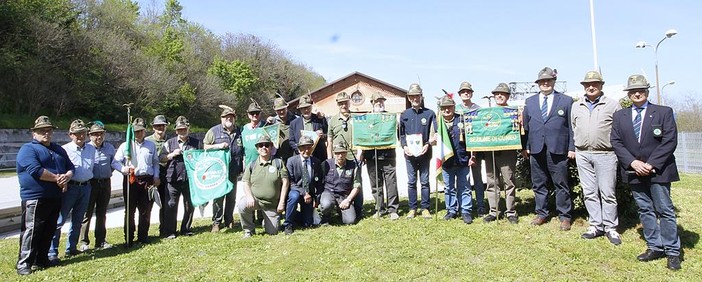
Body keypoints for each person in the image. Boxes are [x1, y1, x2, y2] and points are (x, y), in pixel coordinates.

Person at [610, 74, 682, 270]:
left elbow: (670, 141)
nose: (637, 93)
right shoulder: (620, 116)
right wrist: (633, 163)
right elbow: (616, 142)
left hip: (658, 171)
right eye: (633, 90)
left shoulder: (663, 112)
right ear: (628, 93)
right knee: (645, 209)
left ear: (647, 91)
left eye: (640, 90)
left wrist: (650, 164)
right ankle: (654, 246)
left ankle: (672, 251)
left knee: (664, 210)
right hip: (634, 171)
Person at [16, 116, 74, 275]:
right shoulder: (28, 149)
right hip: (35, 198)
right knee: (32, 230)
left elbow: (70, 167)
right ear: (34, 133)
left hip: (55, 197)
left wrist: (67, 176)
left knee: (49, 229)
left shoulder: (58, 149)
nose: (46, 133)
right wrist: (58, 178)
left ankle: (41, 259)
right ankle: (24, 263)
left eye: (49, 130)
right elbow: (36, 170)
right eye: (42, 131)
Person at [571, 71, 622, 244]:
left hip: (606, 154)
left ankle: (610, 227)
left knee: (607, 192)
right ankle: (596, 225)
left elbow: (619, 130)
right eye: (587, 84)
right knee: (589, 192)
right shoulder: (576, 106)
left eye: (594, 84)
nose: (590, 87)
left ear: (601, 85)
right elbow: (574, 127)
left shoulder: (613, 105)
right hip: (583, 154)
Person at [522, 67, 575, 231]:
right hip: (536, 149)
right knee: (539, 184)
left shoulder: (566, 100)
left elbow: (572, 127)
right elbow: (525, 127)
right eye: (542, 81)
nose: (545, 83)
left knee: (561, 184)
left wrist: (572, 147)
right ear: (538, 83)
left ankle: (564, 216)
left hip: (558, 148)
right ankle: (541, 213)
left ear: (553, 82)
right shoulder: (530, 102)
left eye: (548, 80)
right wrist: (524, 147)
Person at [49, 119, 95, 260]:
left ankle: (72, 248)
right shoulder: (64, 150)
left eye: (83, 133)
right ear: (70, 134)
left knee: (78, 219)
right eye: (76, 133)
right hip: (70, 188)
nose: (80, 136)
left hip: (86, 186)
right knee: (59, 220)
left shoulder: (91, 148)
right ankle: (52, 252)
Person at [114, 117, 161, 246]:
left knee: (145, 210)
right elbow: (115, 162)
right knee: (130, 210)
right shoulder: (126, 146)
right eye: (136, 131)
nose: (138, 134)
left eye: (141, 131)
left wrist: (156, 176)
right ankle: (129, 237)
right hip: (131, 180)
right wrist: (124, 169)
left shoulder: (150, 145)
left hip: (147, 180)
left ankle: (143, 236)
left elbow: (155, 163)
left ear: (145, 131)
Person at [482, 83, 520, 224]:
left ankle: (511, 212)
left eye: (502, 94)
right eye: (497, 94)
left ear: (508, 96)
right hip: (490, 151)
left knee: (509, 182)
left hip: (507, 152)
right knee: (492, 182)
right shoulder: (488, 114)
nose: (499, 96)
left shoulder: (513, 112)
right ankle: (494, 211)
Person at [237, 135, 289, 238]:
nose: (263, 147)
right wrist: (249, 197)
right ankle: (249, 230)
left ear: (271, 147)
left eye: (267, 145)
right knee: (242, 204)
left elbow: (285, 182)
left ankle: (268, 222)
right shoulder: (252, 165)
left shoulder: (278, 163)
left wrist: (282, 202)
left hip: (271, 204)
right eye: (261, 145)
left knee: (273, 232)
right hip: (256, 201)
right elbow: (245, 182)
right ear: (257, 149)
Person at [203, 105, 244, 232]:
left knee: (231, 197)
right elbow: (205, 146)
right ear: (222, 118)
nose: (229, 119)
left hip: (233, 170)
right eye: (226, 117)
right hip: (219, 171)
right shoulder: (213, 131)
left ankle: (229, 220)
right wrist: (219, 146)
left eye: (231, 117)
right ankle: (216, 222)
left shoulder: (239, 131)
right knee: (219, 197)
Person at [359, 93, 400, 220]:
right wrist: (362, 153)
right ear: (372, 103)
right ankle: (379, 209)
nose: (380, 103)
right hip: (371, 157)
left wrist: (396, 125)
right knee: (375, 185)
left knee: (391, 184)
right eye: (377, 101)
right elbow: (362, 136)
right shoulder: (365, 119)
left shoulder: (390, 118)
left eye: (382, 101)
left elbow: (397, 133)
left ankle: (393, 209)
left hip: (388, 156)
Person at [399, 83, 437, 219]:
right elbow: (401, 135)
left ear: (421, 97)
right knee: (411, 181)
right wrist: (404, 146)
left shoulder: (430, 114)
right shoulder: (404, 115)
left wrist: (428, 144)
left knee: (425, 181)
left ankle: (425, 208)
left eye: (417, 96)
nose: (415, 98)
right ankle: (412, 208)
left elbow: (435, 133)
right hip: (409, 154)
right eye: (412, 96)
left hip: (425, 153)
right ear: (409, 98)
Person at [79, 121, 117, 251]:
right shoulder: (87, 148)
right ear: (90, 135)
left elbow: (113, 165)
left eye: (100, 134)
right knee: (87, 214)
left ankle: (100, 241)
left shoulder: (110, 148)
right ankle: (84, 241)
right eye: (95, 134)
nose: (98, 137)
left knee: (102, 213)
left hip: (105, 183)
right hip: (91, 183)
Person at [161, 116, 201, 238]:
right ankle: (170, 231)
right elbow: (161, 158)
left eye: (184, 129)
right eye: (179, 129)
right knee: (171, 205)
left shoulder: (196, 143)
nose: (182, 131)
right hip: (173, 179)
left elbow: (202, 159)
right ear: (176, 130)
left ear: (188, 128)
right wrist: (172, 155)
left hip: (189, 179)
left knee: (189, 205)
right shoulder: (169, 143)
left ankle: (186, 228)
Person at [327, 91, 364, 218]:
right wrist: (329, 158)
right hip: (338, 157)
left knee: (357, 183)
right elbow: (330, 140)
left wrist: (361, 153)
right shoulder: (332, 120)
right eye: (341, 103)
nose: (343, 105)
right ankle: (339, 207)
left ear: (349, 102)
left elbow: (361, 137)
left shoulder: (356, 119)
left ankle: (358, 209)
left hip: (353, 156)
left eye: (345, 102)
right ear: (338, 104)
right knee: (338, 183)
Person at [437, 95, 473, 224]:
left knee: (465, 187)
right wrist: (433, 140)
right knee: (449, 188)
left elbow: (471, 139)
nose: (447, 110)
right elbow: (430, 140)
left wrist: (472, 157)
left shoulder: (463, 119)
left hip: (463, 159)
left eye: (449, 107)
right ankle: (451, 210)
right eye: (444, 108)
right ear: (441, 109)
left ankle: (466, 211)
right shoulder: (437, 122)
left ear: (453, 107)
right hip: (447, 161)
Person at [455, 81, 487, 216]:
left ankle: (480, 205)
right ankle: (461, 206)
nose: (465, 93)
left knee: (477, 178)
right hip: (460, 149)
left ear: (472, 93)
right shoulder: (455, 109)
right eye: (463, 92)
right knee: (462, 180)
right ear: (459, 94)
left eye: (468, 91)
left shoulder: (478, 109)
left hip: (476, 148)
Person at [283, 136, 323, 234]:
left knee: (308, 223)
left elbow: (319, 182)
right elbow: (291, 182)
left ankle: (293, 215)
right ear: (298, 149)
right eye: (303, 147)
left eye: (309, 147)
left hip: (309, 196)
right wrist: (304, 193)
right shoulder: (291, 161)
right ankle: (288, 224)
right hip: (296, 191)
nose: (306, 150)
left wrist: (316, 199)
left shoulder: (316, 162)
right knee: (294, 196)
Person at [319, 142, 362, 225]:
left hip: (344, 195)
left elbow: (357, 186)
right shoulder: (326, 164)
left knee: (350, 221)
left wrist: (348, 200)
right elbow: (319, 181)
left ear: (346, 153)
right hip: (329, 192)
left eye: (342, 153)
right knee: (326, 204)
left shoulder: (353, 166)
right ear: (334, 153)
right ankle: (326, 217)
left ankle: (340, 210)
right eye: (337, 153)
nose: (340, 156)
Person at [145, 115, 169, 237]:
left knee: (165, 205)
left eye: (162, 125)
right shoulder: (147, 141)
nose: (160, 128)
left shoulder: (170, 140)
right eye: (157, 126)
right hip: (151, 177)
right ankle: (145, 233)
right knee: (148, 206)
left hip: (166, 176)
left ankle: (164, 230)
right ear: (153, 127)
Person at [290, 95, 328, 163]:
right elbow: (291, 141)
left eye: (308, 107)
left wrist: (322, 136)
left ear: (311, 107)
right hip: (301, 157)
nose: (306, 110)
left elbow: (327, 135)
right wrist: (300, 150)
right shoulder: (294, 123)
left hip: (319, 157)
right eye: (303, 108)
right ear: (300, 109)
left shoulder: (320, 119)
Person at [266, 97, 298, 163]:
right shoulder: (272, 122)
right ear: (275, 111)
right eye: (278, 110)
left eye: (283, 109)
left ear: (286, 108)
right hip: (279, 157)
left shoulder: (296, 119)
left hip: (295, 154)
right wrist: (267, 123)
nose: (281, 111)